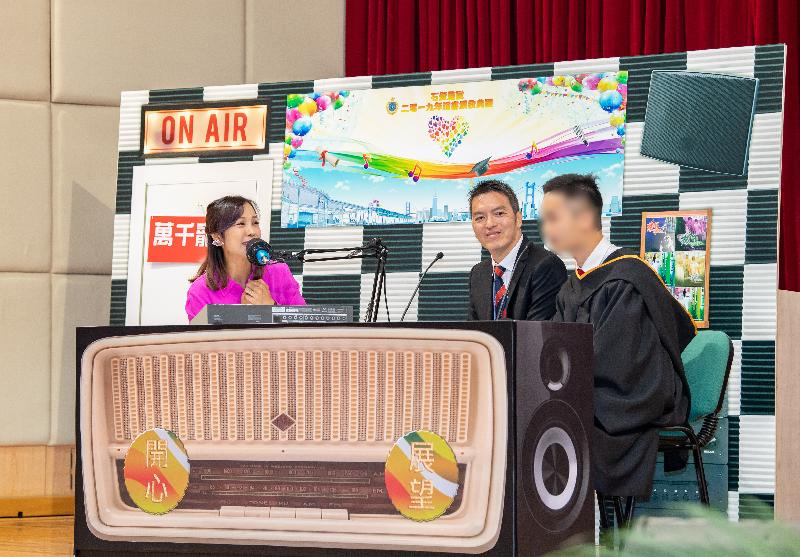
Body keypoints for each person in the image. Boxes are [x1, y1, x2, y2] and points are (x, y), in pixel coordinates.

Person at [539, 173, 696, 499]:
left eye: (553, 218)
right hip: (600, 391)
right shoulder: (574, 285)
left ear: (583, 218)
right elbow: (555, 346)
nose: (546, 229)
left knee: (552, 430)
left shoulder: (624, 278)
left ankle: (585, 529)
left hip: (633, 397)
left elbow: (613, 362)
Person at [185, 196, 305, 321]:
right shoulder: (200, 292)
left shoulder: (279, 272)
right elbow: (202, 340)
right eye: (241, 223)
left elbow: (305, 330)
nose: (252, 231)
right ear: (217, 236)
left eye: (255, 223)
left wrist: (271, 308)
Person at [467, 180, 567, 321]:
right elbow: (474, 334)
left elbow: (536, 336)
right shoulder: (478, 274)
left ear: (518, 219)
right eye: (480, 217)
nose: (489, 224)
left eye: (499, 213)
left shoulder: (546, 266)